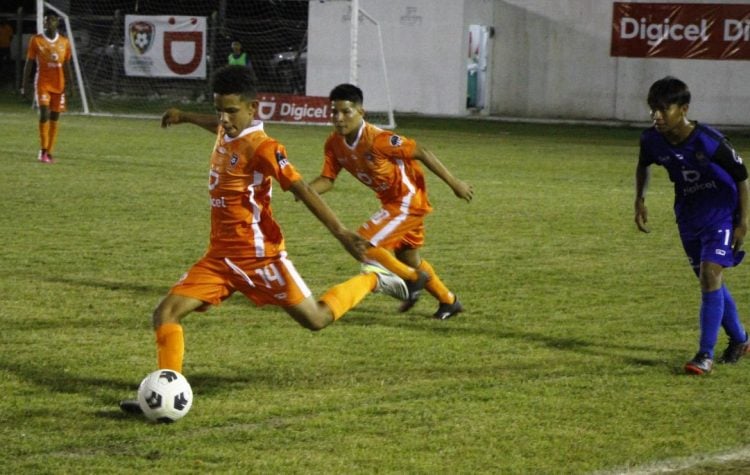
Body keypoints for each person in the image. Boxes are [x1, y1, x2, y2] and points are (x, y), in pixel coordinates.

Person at [119, 66, 408, 414]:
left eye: (231, 111)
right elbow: (218, 126)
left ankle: (373, 279)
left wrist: (341, 232)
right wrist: (186, 117)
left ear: (252, 108)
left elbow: (301, 187)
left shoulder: (264, 147)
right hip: (220, 257)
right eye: (218, 110)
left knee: (315, 319)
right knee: (165, 312)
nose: (223, 119)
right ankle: (164, 394)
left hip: (260, 257)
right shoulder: (227, 131)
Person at [308, 84, 474, 320]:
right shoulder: (334, 144)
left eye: (346, 112)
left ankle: (412, 280)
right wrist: (304, 190)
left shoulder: (379, 140)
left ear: (361, 113)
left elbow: (421, 151)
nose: (338, 118)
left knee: (363, 242)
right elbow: (327, 179)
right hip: (393, 203)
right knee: (408, 257)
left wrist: (455, 183)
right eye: (334, 112)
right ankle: (449, 301)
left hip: (408, 200)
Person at [635, 76, 750, 375]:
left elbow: (742, 176)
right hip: (688, 216)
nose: (656, 116)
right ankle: (741, 340)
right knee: (709, 280)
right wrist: (640, 199)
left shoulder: (708, 140)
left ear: (683, 109)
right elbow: (643, 164)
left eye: (662, 109)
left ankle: (704, 355)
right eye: (652, 109)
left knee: (710, 273)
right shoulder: (651, 140)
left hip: (722, 213)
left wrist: (744, 221)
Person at [21, 12, 74, 164]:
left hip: (59, 84)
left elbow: (67, 65)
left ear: (57, 23)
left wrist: (71, 86)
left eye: (51, 20)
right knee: (44, 113)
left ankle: (49, 152)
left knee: (55, 117)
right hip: (43, 83)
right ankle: (43, 150)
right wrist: (24, 86)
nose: (47, 23)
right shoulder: (36, 40)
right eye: (45, 21)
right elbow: (29, 63)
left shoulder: (64, 42)